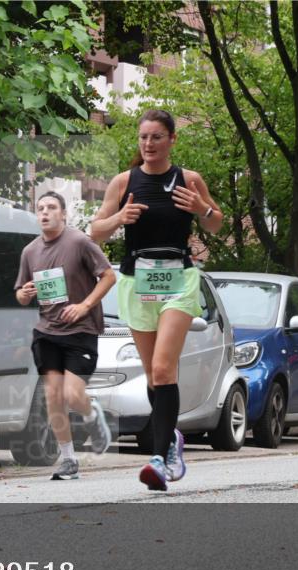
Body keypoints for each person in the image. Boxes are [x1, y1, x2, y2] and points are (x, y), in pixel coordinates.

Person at [90, 109, 223, 490]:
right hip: (137, 281)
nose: (148, 144)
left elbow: (216, 222)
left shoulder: (189, 179)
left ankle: (161, 457)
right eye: (143, 137)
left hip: (179, 279)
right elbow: (95, 231)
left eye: (156, 137)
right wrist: (120, 219)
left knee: (164, 369)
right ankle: (173, 439)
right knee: (153, 375)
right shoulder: (123, 181)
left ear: (172, 140)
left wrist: (202, 210)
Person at [15, 191, 115, 480]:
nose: (45, 213)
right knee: (53, 397)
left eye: (51, 208)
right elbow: (21, 296)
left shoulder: (80, 242)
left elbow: (109, 276)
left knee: (72, 394)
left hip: (81, 330)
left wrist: (84, 306)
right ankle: (69, 459)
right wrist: (24, 293)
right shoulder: (30, 252)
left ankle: (92, 415)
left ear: (63, 214)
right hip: (46, 332)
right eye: (40, 208)